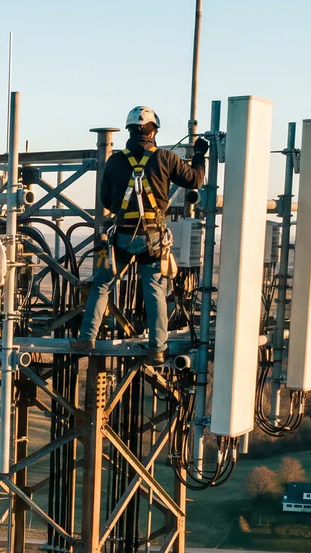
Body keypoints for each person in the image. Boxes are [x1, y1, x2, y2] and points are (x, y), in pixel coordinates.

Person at [75, 106, 207, 362]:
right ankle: (157, 347)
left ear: (130, 131)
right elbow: (195, 180)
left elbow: (106, 199)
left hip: (121, 237)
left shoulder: (115, 160)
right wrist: (200, 154)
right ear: (153, 130)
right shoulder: (165, 158)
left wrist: (125, 210)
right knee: (154, 290)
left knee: (102, 285)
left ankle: (86, 338)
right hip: (152, 239)